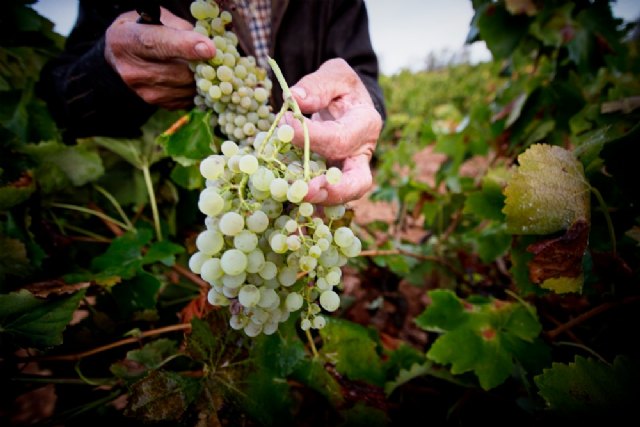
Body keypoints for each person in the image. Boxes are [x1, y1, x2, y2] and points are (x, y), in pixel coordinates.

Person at [37, 0, 385, 205]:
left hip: (310, 189)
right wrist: (107, 67)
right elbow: (62, 98)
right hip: (188, 212)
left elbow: (361, 71)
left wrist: (362, 105)